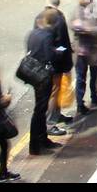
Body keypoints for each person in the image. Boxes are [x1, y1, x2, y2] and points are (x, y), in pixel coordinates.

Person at [25, 10, 62, 155]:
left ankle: (42, 140)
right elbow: (49, 55)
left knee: (39, 109)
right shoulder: (48, 36)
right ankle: (35, 145)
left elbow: (29, 50)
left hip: (33, 74)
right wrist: (59, 51)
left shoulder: (32, 34)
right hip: (43, 76)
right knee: (40, 110)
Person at [43, 0, 74, 135]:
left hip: (45, 63)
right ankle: (50, 123)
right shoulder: (59, 18)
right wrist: (65, 57)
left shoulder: (41, 15)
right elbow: (62, 43)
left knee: (53, 92)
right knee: (54, 92)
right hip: (56, 63)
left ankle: (56, 115)